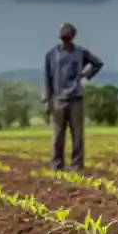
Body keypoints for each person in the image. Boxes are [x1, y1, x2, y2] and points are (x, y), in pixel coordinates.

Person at [43, 22, 104, 170]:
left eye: (68, 37)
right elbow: (47, 78)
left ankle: (77, 166)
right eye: (64, 37)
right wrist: (47, 99)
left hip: (76, 98)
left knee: (77, 135)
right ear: (60, 37)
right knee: (58, 135)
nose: (66, 40)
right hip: (58, 99)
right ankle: (56, 165)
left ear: (72, 37)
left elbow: (98, 63)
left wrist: (86, 74)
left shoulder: (80, 52)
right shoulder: (51, 55)